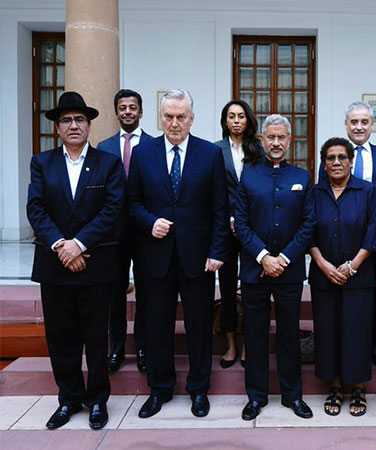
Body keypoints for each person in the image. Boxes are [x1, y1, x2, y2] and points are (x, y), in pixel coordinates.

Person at [128, 89, 229, 419]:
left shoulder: (210, 154)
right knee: (158, 324)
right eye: (168, 116)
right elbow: (132, 204)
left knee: (199, 325)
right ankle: (160, 388)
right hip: (155, 255)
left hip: (198, 257)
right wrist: (148, 221)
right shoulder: (143, 153)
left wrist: (217, 250)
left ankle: (199, 389)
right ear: (160, 117)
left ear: (192, 119)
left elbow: (219, 207)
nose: (174, 123)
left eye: (180, 116)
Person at [26, 91, 125, 430]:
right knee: (61, 337)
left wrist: (79, 244)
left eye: (79, 119)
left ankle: (98, 400)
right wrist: (61, 246)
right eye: (66, 120)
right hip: (55, 267)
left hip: (95, 265)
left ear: (89, 125)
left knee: (97, 338)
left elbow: (113, 209)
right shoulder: (42, 163)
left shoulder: (108, 164)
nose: (73, 125)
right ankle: (68, 399)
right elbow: (35, 209)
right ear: (57, 127)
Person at [235, 114, 316, 420]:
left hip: (290, 271)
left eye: (282, 138)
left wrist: (283, 259)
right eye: (271, 138)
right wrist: (263, 257)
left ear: (289, 141)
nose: (276, 143)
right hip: (256, 271)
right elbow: (240, 224)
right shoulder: (250, 175)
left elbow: (309, 224)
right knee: (254, 335)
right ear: (262, 140)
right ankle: (255, 396)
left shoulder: (302, 177)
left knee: (288, 335)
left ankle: (292, 395)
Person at [319, 101, 376, 369]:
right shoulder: (334, 156)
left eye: (364, 122)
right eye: (354, 122)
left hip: (374, 240)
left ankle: (373, 348)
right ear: (346, 124)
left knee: (372, 298)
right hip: (341, 240)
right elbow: (324, 197)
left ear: (372, 125)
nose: (359, 126)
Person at [309, 137, 376, 416]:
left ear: (351, 161)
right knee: (328, 332)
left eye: (342, 157)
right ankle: (336, 387)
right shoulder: (314, 193)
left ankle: (358, 388)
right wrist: (324, 264)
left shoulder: (367, 191)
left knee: (357, 333)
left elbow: (374, 231)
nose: (336, 162)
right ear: (323, 163)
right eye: (330, 158)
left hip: (359, 277)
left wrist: (352, 266)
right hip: (323, 275)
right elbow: (307, 232)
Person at [98, 88, 153, 373]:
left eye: (133, 107)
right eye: (123, 107)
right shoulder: (104, 147)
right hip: (113, 233)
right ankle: (116, 349)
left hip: (145, 233)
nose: (128, 111)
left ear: (141, 112)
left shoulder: (156, 146)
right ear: (116, 112)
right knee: (114, 293)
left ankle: (143, 348)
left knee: (145, 293)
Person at [214, 99, 262, 369]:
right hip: (225, 229)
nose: (236, 121)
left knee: (253, 289)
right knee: (229, 287)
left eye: (241, 116)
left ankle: (249, 346)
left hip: (254, 229)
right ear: (225, 121)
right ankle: (232, 346)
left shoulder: (258, 149)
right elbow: (214, 191)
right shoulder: (214, 150)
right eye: (231, 116)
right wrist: (230, 220)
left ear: (248, 120)